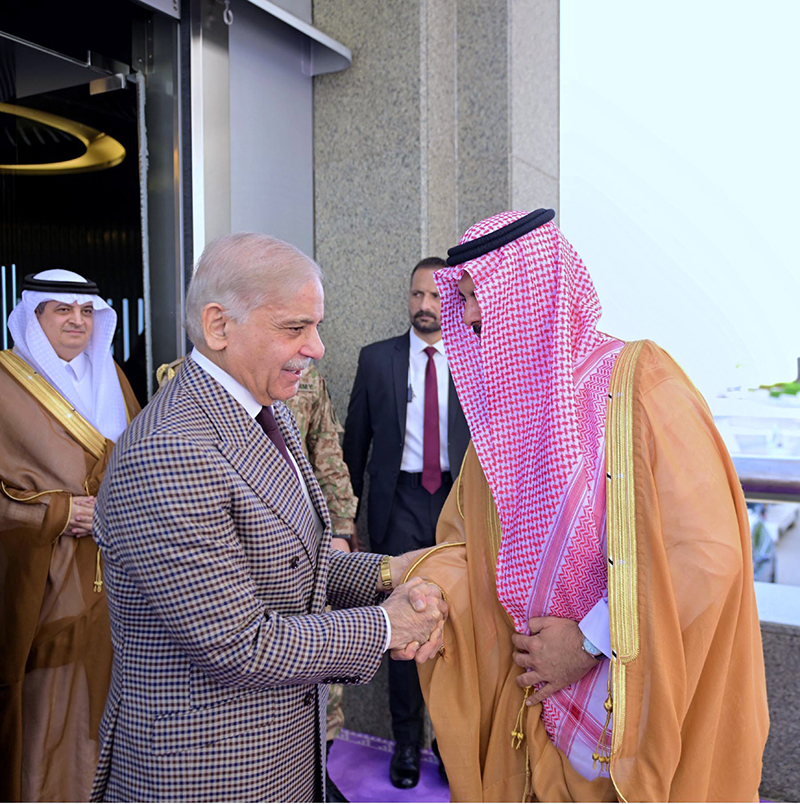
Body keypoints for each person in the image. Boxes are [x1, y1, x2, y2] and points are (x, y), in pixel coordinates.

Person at [412, 210, 770, 801]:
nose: (467, 315)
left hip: (629, 727)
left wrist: (588, 640)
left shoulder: (638, 385)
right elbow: (466, 548)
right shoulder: (501, 425)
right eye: (464, 298)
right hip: (530, 711)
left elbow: (705, 555)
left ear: (532, 290)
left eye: (480, 295)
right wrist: (408, 588)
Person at [90, 233, 446, 803]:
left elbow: (289, 566)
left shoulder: (262, 414)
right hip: (207, 775)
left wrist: (391, 573)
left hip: (275, 761)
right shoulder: (172, 451)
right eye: (294, 328)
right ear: (218, 326)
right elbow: (241, 644)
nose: (318, 348)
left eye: (316, 326)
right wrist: (388, 626)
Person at [0, 269, 141, 802]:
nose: (77, 322)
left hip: (116, 587)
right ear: (34, 317)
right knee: (48, 711)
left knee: (105, 707)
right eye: (62, 310)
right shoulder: (5, 384)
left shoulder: (113, 377)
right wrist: (58, 515)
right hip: (44, 585)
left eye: (86, 312)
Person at [343, 257, 470, 788]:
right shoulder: (377, 361)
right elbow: (351, 448)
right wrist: (344, 525)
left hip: (459, 510)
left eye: (437, 296)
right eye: (417, 295)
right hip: (400, 507)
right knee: (403, 624)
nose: (425, 306)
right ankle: (406, 745)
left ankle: (450, 744)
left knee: (460, 630)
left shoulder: (478, 359)